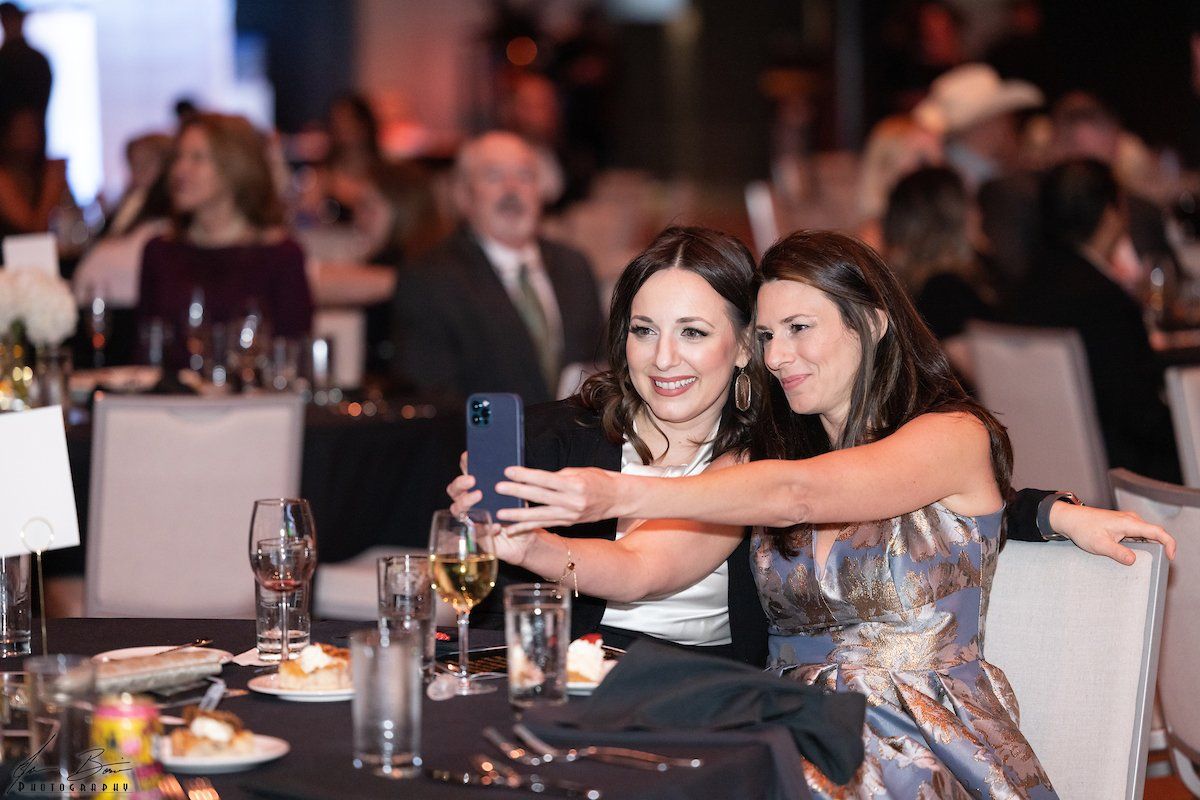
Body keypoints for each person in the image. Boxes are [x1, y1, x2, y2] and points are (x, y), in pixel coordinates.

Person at [485, 230, 1176, 797]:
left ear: (872, 322)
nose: (778, 356)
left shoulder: (951, 435)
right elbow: (641, 569)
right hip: (786, 725)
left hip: (915, 741)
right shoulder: (768, 459)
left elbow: (805, 497)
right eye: (766, 337)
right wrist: (522, 539)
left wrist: (616, 494)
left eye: (798, 328)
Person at [391, 130, 603, 405]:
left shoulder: (574, 266)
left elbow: (600, 368)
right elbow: (431, 399)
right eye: (494, 176)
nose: (512, 190)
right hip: (479, 445)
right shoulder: (430, 279)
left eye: (525, 176)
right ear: (463, 195)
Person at [1012, 159, 1181, 484]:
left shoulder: (1024, 288)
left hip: (1038, 468)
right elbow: (1141, 415)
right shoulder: (1102, 301)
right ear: (1110, 213)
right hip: (1122, 473)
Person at [137, 113, 312, 365]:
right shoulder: (160, 253)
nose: (179, 170)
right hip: (174, 403)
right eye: (178, 158)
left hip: (254, 403)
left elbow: (292, 360)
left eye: (197, 158)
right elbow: (146, 356)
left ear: (236, 167)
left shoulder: (281, 256)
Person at [882, 166, 995, 384]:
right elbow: (988, 377)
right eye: (969, 204)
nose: (979, 214)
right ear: (947, 222)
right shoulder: (944, 290)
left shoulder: (906, 287)